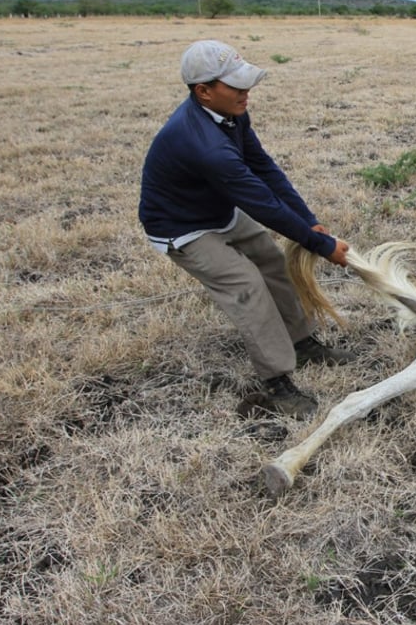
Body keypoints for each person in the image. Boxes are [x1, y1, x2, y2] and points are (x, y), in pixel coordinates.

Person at [140, 39, 355, 419]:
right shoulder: (203, 144)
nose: (246, 93)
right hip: (183, 228)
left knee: (273, 264)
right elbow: (260, 202)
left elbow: (264, 168)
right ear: (203, 91)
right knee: (247, 287)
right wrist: (321, 244)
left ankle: (302, 342)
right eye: (236, 86)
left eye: (245, 83)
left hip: (216, 211)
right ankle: (276, 382)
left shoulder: (231, 115)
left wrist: (306, 219)